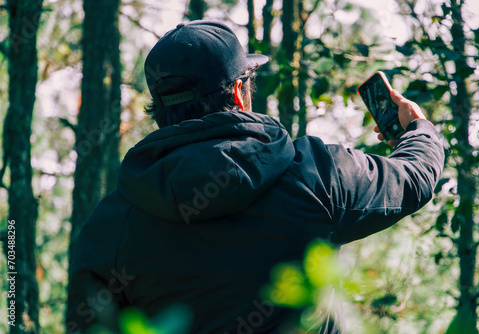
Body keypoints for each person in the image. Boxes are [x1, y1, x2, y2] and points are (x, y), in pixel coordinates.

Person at [66, 20, 444, 333]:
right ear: (238, 92)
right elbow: (414, 178)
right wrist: (417, 130)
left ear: (159, 107)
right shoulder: (316, 173)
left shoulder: (111, 225)